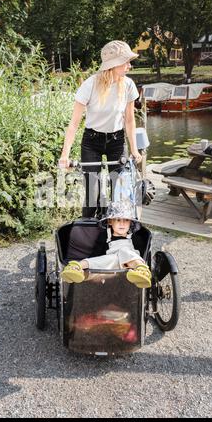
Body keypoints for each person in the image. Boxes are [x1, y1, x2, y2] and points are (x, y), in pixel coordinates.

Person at [58, 40, 142, 217]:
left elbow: (129, 121)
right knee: (91, 193)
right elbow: (74, 124)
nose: (129, 66)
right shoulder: (90, 85)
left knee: (119, 193)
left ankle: (117, 236)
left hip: (117, 141)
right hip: (92, 141)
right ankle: (88, 231)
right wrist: (64, 155)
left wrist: (134, 150)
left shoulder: (128, 85)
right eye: (126, 62)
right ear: (113, 65)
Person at [61, 200, 151, 289]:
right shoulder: (105, 236)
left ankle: (141, 269)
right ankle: (78, 271)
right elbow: (97, 254)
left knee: (124, 251)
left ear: (130, 223)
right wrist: (95, 265)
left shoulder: (134, 237)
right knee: (111, 259)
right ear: (110, 222)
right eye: (118, 220)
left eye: (126, 220)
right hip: (110, 268)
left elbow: (142, 251)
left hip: (127, 268)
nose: (122, 224)